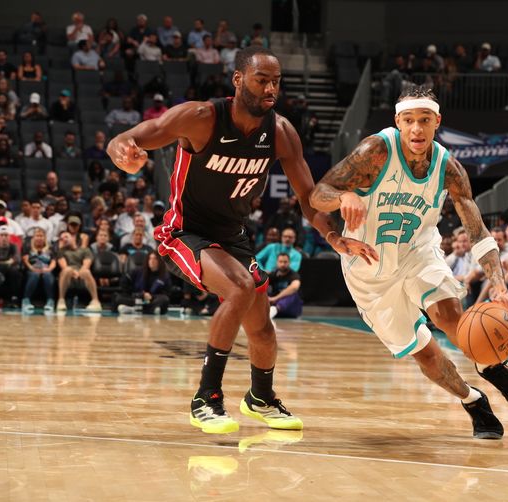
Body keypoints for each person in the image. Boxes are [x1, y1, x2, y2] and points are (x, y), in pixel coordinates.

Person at [106, 46, 376, 434]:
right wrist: (123, 153)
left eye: (276, 82)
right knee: (239, 288)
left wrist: (333, 235)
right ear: (238, 80)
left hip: (232, 236)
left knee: (262, 328)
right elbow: (131, 137)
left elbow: (308, 197)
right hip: (184, 231)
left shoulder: (280, 133)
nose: (270, 88)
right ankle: (206, 397)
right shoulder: (200, 118)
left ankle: (260, 398)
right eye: (261, 79)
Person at [309, 84, 508, 439]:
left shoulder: (449, 168)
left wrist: (500, 285)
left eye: (424, 120)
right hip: (369, 269)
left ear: (437, 122)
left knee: (450, 317)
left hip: (418, 252)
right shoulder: (376, 151)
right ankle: (474, 400)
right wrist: (344, 196)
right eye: (409, 120)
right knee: (425, 355)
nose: (416, 128)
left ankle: (489, 363)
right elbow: (317, 194)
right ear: (398, 122)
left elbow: (478, 232)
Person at [55, 230, 102, 312]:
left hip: (82, 274)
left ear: (73, 238)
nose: (64, 239)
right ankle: (61, 300)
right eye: (62, 239)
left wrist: (79, 272)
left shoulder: (84, 250)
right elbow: (63, 266)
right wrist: (74, 273)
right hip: (68, 275)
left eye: (66, 237)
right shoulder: (61, 251)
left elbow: (86, 264)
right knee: (67, 270)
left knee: (86, 271)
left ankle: (95, 301)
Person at [21, 226, 56, 312]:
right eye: (37, 236)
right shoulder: (28, 247)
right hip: (32, 270)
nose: (39, 238)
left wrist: (48, 269)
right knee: (35, 275)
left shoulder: (50, 249)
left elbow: (53, 262)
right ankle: (26, 300)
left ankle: (50, 301)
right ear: (33, 238)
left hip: (46, 270)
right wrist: (32, 268)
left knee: (48, 275)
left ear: (45, 238)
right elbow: (25, 261)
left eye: (41, 236)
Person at [267, 252, 302, 318]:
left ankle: (274, 309)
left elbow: (294, 287)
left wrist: (275, 298)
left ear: (289, 263)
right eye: (280, 262)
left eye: (285, 262)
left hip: (290, 309)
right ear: (276, 262)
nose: (282, 264)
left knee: (293, 294)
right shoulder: (273, 274)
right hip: (274, 305)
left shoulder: (294, 275)